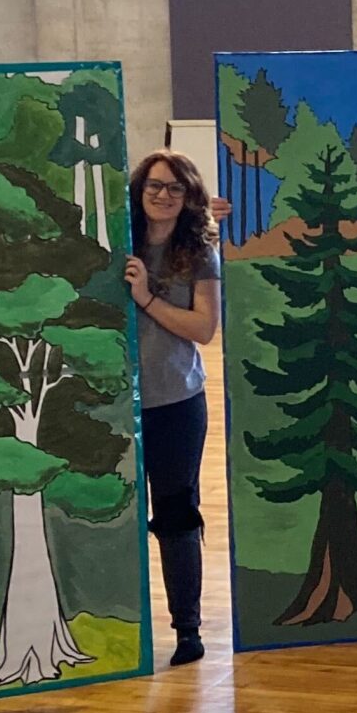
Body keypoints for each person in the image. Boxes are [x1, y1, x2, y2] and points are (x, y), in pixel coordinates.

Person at [124, 151, 222, 667]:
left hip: (176, 401)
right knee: (110, 513)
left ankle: (188, 628)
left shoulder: (199, 253)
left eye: (175, 188)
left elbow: (204, 328)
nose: (163, 196)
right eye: (155, 186)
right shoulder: (113, 242)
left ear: (188, 198)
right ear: (139, 191)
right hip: (109, 403)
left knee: (176, 514)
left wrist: (146, 297)